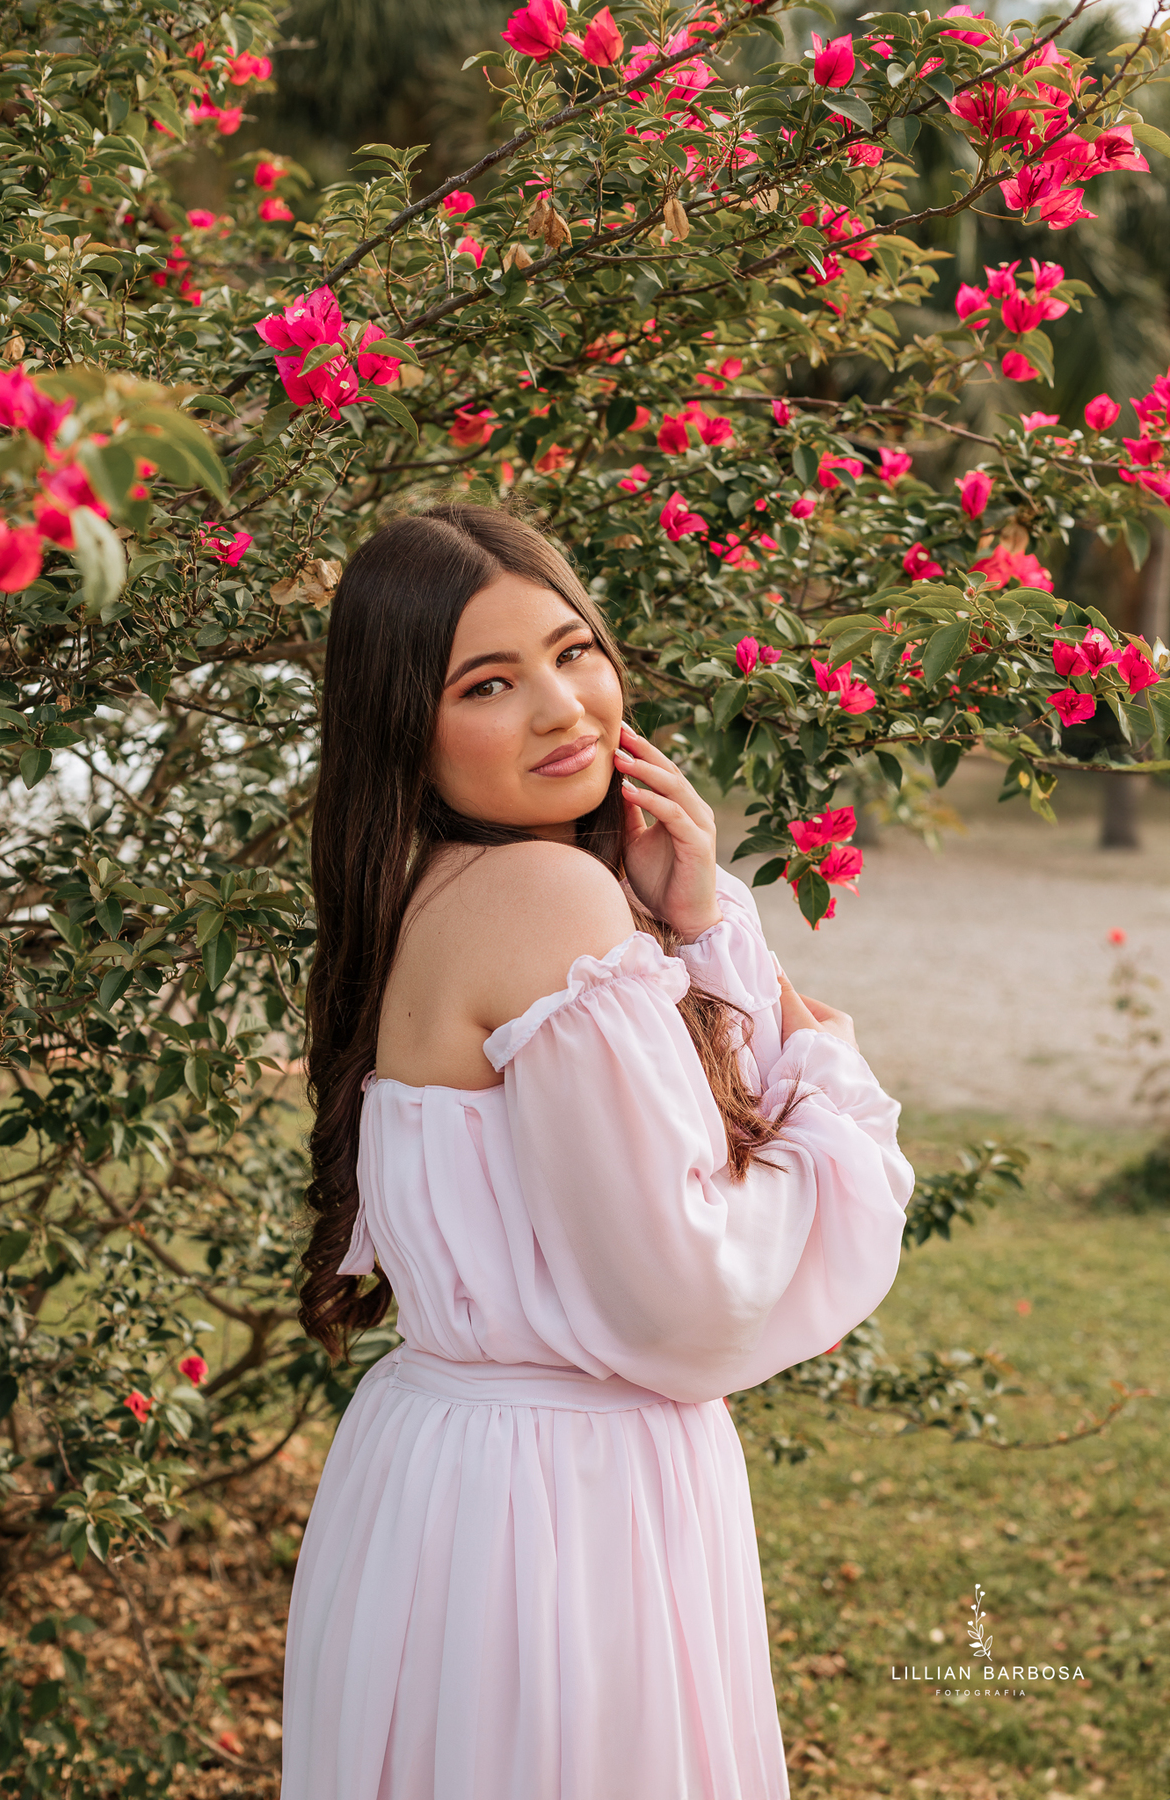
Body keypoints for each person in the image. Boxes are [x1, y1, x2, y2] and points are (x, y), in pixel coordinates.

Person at [280, 502, 913, 1800]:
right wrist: (814, 1051)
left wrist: (687, 921)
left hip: (451, 1481)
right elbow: (694, 1289)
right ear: (409, 722)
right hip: (557, 1511)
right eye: (490, 683)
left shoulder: (435, 887)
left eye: (575, 653)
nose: (565, 709)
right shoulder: (544, 896)